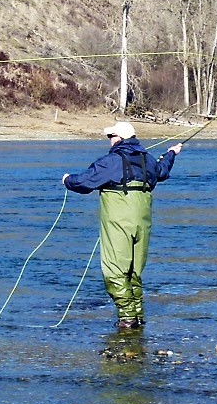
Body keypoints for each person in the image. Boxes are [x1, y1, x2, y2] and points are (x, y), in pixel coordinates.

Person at [62, 121, 183, 330]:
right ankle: (137, 316)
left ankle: (127, 318)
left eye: (111, 136)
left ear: (119, 138)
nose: (109, 140)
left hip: (119, 223)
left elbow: (84, 182)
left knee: (114, 271)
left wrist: (67, 180)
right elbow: (162, 171)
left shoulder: (111, 161)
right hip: (143, 223)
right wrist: (172, 153)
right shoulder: (148, 160)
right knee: (134, 272)